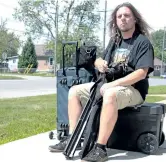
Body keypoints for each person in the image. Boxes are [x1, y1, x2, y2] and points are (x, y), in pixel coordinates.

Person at [48, 2, 154, 161]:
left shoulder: (142, 42)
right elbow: (100, 60)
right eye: (119, 16)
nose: (123, 19)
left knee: (110, 94)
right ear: (116, 21)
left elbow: (141, 73)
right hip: (110, 85)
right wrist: (98, 62)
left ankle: (100, 148)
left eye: (126, 16)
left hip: (133, 90)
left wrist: (113, 84)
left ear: (135, 20)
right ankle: (72, 138)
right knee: (74, 91)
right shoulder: (114, 41)